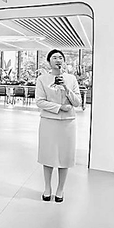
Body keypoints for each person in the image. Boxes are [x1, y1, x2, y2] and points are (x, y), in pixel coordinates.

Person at [35, 49, 82, 203]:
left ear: (64, 61)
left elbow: (77, 102)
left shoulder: (71, 79)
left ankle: (60, 189)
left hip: (68, 123)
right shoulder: (42, 79)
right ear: (49, 61)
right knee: (48, 155)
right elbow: (39, 101)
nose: (58, 60)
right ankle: (47, 188)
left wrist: (66, 89)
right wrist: (59, 107)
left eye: (60, 57)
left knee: (65, 157)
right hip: (49, 122)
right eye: (54, 57)